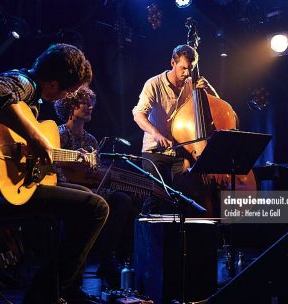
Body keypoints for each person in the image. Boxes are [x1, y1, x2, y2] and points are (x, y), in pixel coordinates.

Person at [0, 43, 109, 303]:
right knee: (96, 208)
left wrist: (60, 161)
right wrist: (37, 138)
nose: (64, 98)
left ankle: (63, 287)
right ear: (52, 83)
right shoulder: (23, 82)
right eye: (67, 91)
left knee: (86, 197)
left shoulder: (30, 95)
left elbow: (24, 159)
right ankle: (45, 294)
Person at [54, 86, 135, 288]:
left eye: (91, 103)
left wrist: (101, 175)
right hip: (67, 190)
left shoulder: (91, 140)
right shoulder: (58, 134)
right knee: (89, 204)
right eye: (84, 102)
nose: (90, 106)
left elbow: (95, 174)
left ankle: (108, 257)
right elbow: (52, 167)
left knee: (122, 200)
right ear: (71, 107)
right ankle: (77, 273)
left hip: (90, 190)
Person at [132, 44, 219, 214]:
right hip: (155, 152)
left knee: (183, 199)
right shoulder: (154, 84)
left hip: (182, 152)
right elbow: (139, 115)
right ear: (173, 63)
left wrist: (208, 88)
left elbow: (218, 107)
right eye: (183, 68)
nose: (187, 73)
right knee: (156, 198)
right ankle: (150, 237)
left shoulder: (191, 84)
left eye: (190, 69)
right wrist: (156, 134)